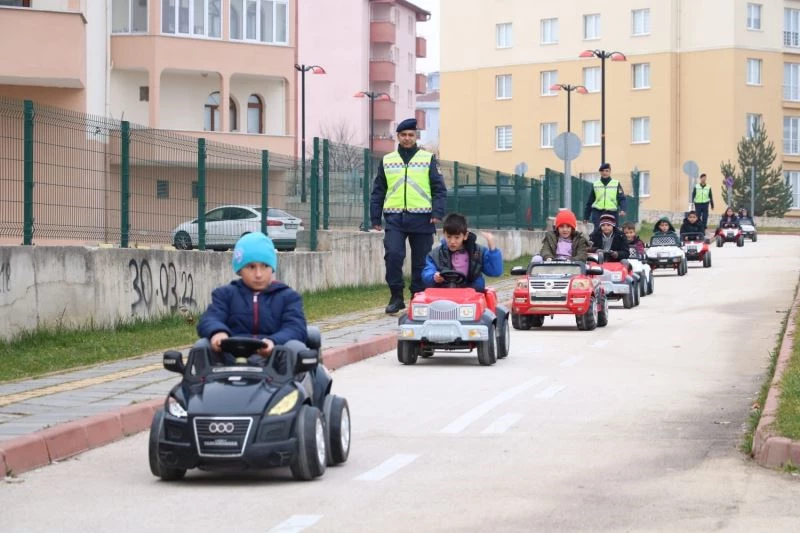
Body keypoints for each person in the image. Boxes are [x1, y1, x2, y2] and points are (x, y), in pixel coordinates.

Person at [197, 232, 308, 371]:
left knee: (295, 347)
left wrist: (273, 341)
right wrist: (218, 333)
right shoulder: (225, 295)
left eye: (265, 266)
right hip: (230, 360)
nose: (258, 274)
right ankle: (203, 388)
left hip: (273, 362)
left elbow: (296, 327)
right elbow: (210, 318)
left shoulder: (288, 297)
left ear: (272, 268)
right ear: (240, 270)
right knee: (202, 345)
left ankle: (292, 390)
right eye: (251, 267)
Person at [370, 117, 448, 314]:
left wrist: (437, 213)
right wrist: (374, 217)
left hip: (422, 218)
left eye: (410, 135)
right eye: (403, 135)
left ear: (416, 137)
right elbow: (378, 190)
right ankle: (396, 296)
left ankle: (417, 296)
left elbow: (439, 189)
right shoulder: (387, 160)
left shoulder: (427, 159)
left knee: (421, 261)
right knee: (393, 256)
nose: (406, 138)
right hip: (395, 218)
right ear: (398, 136)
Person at [422, 212, 503, 291]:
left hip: (472, 295)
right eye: (449, 237)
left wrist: (492, 248)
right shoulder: (436, 254)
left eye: (457, 237)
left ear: (465, 236)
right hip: (445, 294)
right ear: (444, 234)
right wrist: (433, 277)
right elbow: (427, 273)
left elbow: (495, 272)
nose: (452, 241)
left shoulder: (478, 252)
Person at [583, 162, 627, 228]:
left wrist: (623, 209)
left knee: (615, 233)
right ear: (600, 172)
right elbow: (590, 202)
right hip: (598, 212)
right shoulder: (595, 184)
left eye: (607, 171)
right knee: (597, 233)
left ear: (610, 172)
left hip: (612, 212)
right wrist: (586, 217)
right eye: (602, 171)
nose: (604, 173)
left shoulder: (616, 183)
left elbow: (622, 198)